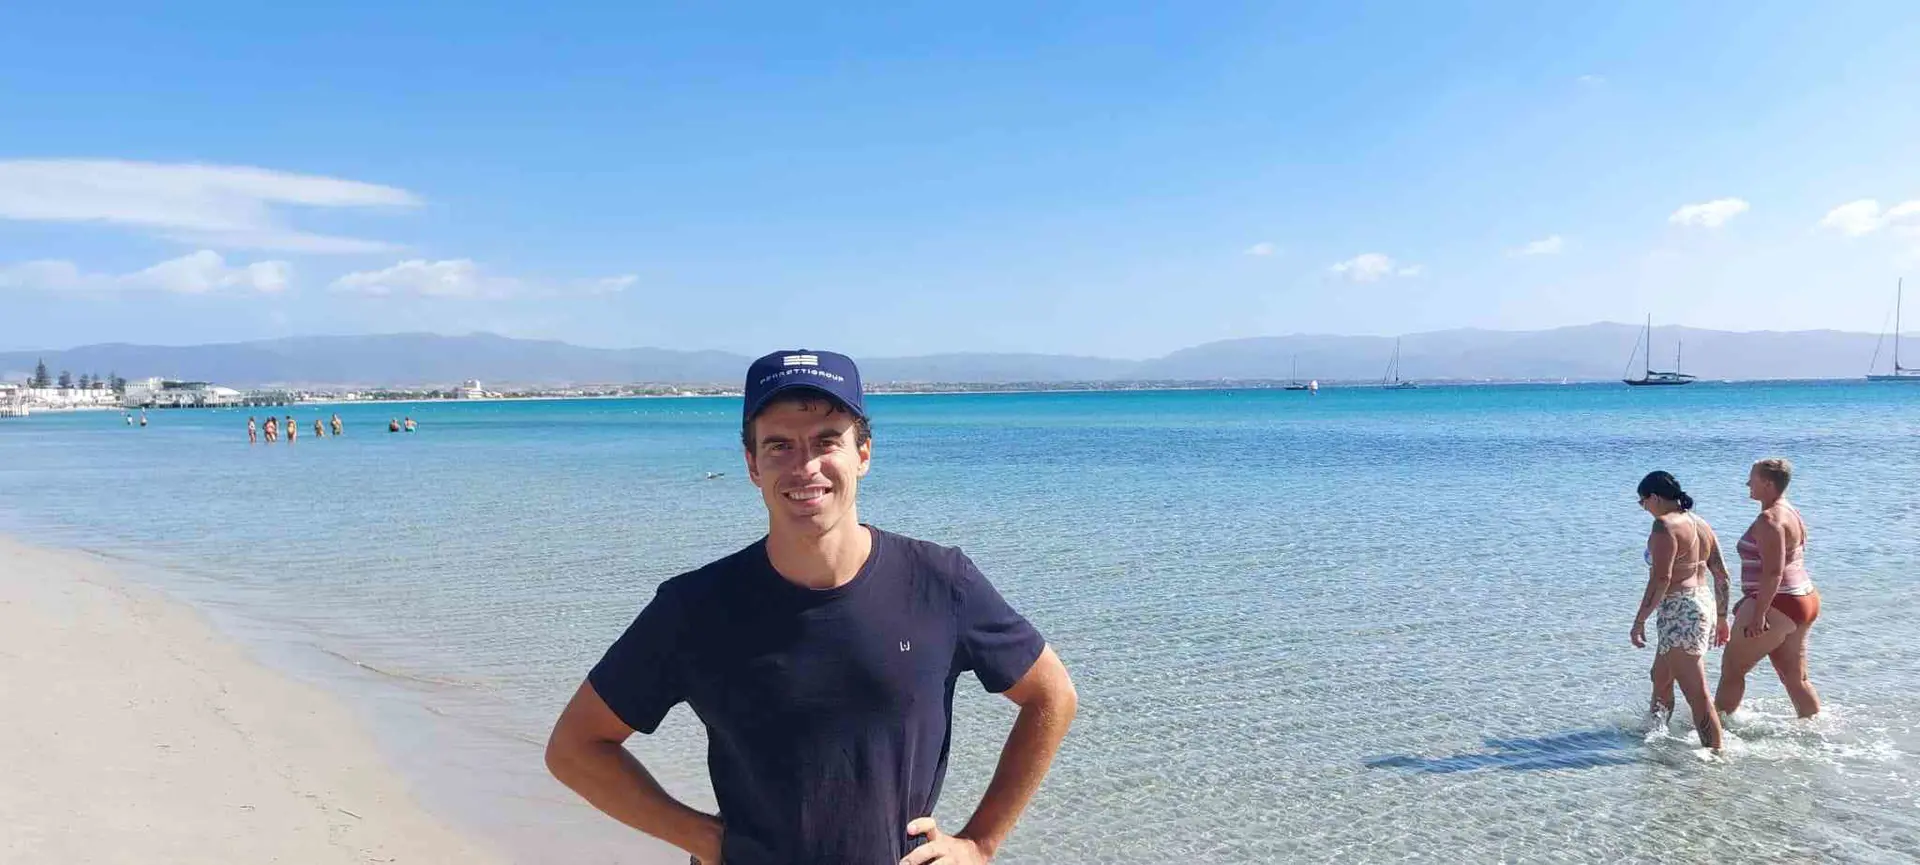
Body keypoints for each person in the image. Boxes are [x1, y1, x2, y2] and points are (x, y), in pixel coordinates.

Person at [545, 349, 1077, 865]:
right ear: (752, 464)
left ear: (862, 455)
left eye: (827, 441)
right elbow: (575, 747)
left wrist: (980, 843)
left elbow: (1051, 696)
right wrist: (703, 837)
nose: (805, 466)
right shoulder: (695, 607)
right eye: (779, 445)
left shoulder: (940, 582)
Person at [1628, 471, 1728, 749]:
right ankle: (1654, 737)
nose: (1644, 508)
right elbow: (1721, 575)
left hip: (1680, 610)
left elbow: (1662, 579)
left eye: (1642, 502)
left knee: (1696, 692)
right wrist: (1721, 617)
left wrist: (1639, 621)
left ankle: (1715, 754)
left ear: (1655, 497)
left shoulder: (1664, 526)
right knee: (1660, 677)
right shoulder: (1701, 524)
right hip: (1702, 602)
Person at [1716, 458, 1822, 719]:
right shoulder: (1791, 512)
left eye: (1751, 479)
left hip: (1779, 603)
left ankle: (1713, 730)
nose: (1747, 484)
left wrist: (1758, 613)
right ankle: (1815, 729)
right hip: (1803, 598)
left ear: (1767, 483)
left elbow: (1774, 572)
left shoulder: (1769, 519)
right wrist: (1752, 599)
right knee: (1795, 678)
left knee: (1732, 670)